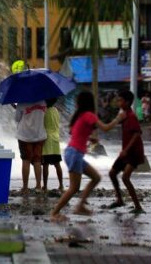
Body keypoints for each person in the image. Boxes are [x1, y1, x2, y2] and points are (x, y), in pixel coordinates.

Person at [50, 91, 125, 222]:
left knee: (96, 177)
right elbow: (106, 128)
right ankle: (54, 213)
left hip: (72, 153)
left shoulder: (79, 115)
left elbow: (73, 132)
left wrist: (89, 138)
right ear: (90, 103)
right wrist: (118, 118)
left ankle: (80, 205)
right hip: (74, 154)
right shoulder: (89, 115)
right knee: (74, 188)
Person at [107, 90, 146, 213]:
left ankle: (138, 207)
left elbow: (137, 134)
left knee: (125, 177)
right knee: (112, 173)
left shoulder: (132, 116)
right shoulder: (124, 115)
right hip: (126, 152)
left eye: (120, 100)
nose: (118, 102)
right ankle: (119, 199)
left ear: (127, 102)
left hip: (134, 152)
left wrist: (126, 150)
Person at [15, 99, 47, 193]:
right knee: (37, 160)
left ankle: (25, 188)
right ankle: (38, 186)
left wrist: (17, 108)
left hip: (25, 136)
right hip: (39, 135)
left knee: (26, 160)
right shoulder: (43, 102)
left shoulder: (22, 102)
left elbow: (17, 119)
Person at [42, 98, 64, 192]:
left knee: (45, 164)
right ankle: (61, 185)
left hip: (46, 139)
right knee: (57, 164)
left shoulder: (44, 111)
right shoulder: (55, 110)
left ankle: (45, 186)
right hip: (55, 139)